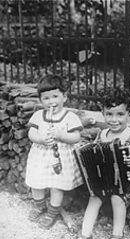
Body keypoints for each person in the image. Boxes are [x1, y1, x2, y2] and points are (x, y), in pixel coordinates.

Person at [69, 89, 130, 239]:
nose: (114, 120)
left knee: (117, 198)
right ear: (103, 114)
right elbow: (94, 151)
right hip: (104, 180)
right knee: (94, 197)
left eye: (120, 114)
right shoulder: (102, 133)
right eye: (109, 114)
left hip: (127, 183)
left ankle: (117, 235)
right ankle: (85, 234)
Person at [25, 74, 84, 229]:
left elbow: (76, 137)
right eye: (46, 98)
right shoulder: (38, 115)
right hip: (40, 156)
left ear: (64, 97)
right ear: (40, 100)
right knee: (36, 183)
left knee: (56, 186)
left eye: (55, 96)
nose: (51, 102)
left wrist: (61, 135)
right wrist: (41, 139)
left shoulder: (70, 116)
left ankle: (52, 212)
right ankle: (39, 206)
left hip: (61, 158)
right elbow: (31, 133)